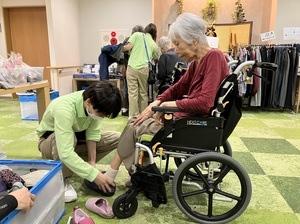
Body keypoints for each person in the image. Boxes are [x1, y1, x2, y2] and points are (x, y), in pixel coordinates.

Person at [103, 13, 230, 184]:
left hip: (191, 125)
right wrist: (156, 103)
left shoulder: (213, 57)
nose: (175, 50)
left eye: (178, 44)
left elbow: (205, 102)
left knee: (134, 125)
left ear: (194, 40)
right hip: (187, 120)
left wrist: (166, 106)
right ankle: (136, 173)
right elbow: (178, 88)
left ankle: (121, 174)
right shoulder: (198, 62)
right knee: (136, 122)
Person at [36, 81, 122, 203]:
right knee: (70, 139)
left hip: (75, 141)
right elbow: (65, 152)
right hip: (49, 143)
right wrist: (94, 175)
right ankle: (63, 179)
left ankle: (78, 166)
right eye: (101, 114)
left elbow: (92, 134)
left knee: (118, 137)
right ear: (88, 103)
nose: (102, 117)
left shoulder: (94, 102)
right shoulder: (64, 109)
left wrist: (92, 164)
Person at [122, 23, 159, 118]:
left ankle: (133, 116)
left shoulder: (137, 35)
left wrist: (119, 48)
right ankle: (143, 116)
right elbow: (156, 59)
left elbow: (127, 47)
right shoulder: (154, 44)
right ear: (155, 34)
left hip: (132, 67)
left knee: (132, 93)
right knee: (143, 92)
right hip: (144, 69)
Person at [121, 25, 144, 116]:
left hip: (130, 67)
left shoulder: (129, 40)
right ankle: (126, 108)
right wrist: (123, 66)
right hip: (131, 66)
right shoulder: (129, 40)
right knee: (131, 89)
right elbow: (123, 54)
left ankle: (130, 110)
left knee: (131, 90)